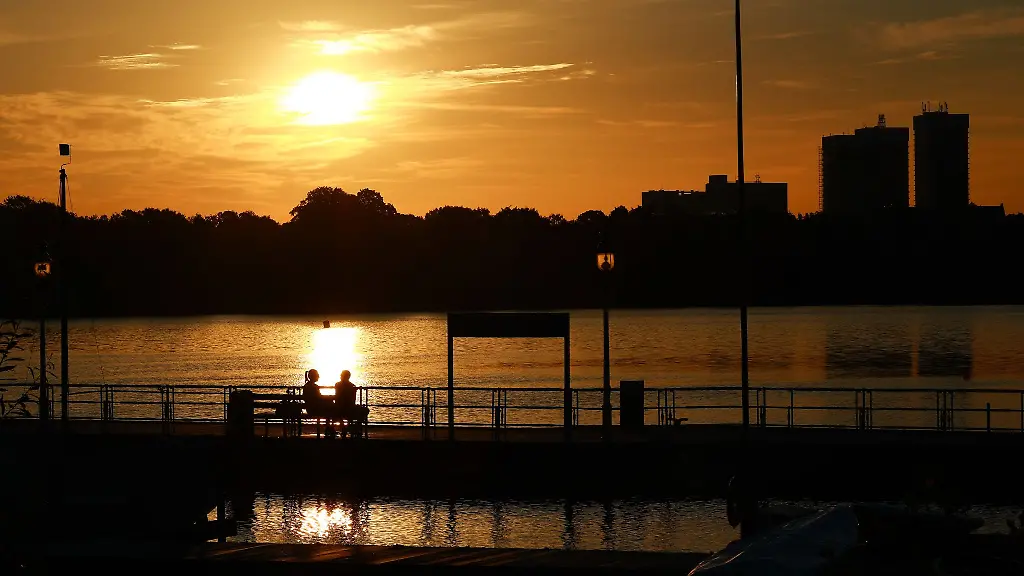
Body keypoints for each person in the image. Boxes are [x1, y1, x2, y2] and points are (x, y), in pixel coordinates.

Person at [333, 370, 369, 438]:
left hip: (339, 408)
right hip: (349, 408)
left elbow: (337, 397)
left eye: (341, 375)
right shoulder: (352, 386)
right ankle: (355, 427)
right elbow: (353, 400)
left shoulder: (337, 385)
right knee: (365, 410)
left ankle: (349, 427)